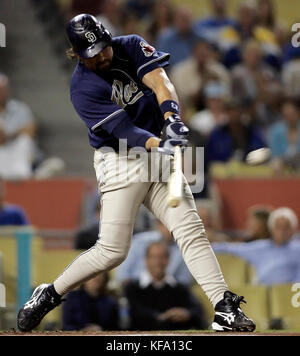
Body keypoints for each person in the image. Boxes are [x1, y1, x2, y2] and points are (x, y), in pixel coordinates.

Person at [17, 14, 255, 333]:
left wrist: (171, 117)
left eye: (102, 48)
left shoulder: (129, 45)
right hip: (120, 160)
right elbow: (124, 129)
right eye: (91, 54)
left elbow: (160, 82)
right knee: (112, 251)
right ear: (75, 53)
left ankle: (223, 307)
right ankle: (49, 293)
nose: (101, 56)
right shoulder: (82, 88)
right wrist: (161, 143)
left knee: (190, 229)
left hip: (158, 153)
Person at [125, 241, 207, 330]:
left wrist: (186, 313)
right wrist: (162, 317)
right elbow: (134, 313)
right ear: (146, 260)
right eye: (154, 257)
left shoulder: (180, 288)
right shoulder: (133, 288)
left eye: (162, 257)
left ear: (168, 260)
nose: (158, 262)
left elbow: (197, 310)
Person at [212, 207, 300, 285]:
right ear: (271, 228)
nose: (282, 231)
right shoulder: (260, 247)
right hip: (261, 293)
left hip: (287, 295)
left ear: (293, 229)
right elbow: (231, 248)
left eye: (286, 227)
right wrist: (204, 246)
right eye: (278, 227)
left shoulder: (297, 249)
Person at [115, 219, 192, 286]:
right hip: (137, 289)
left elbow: (184, 281)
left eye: (176, 225)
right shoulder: (140, 241)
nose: (172, 229)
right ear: (158, 225)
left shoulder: (184, 248)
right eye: (168, 225)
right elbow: (122, 275)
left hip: (170, 293)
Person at [169, 37, 231, 112]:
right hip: (188, 110)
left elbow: (227, 95)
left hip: (217, 110)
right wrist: (201, 88)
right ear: (193, 52)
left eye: (205, 52)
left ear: (209, 53)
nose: (202, 55)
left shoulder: (219, 70)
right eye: (199, 52)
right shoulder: (180, 71)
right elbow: (182, 97)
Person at [206, 99, 266, 165]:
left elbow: (263, 154)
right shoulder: (216, 135)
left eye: (237, 111)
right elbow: (210, 159)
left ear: (242, 112)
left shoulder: (254, 133)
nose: (234, 114)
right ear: (226, 113)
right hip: (223, 172)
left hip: (250, 171)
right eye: (231, 111)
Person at [0, 73, 37, 179]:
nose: (1, 93)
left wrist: (9, 135)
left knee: (24, 140)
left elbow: (30, 129)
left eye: (3, 90)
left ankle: (22, 173)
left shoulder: (20, 108)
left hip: (16, 150)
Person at [268, 99, 300, 173]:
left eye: (292, 114)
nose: (289, 117)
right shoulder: (275, 130)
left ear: (298, 113)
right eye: (286, 115)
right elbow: (275, 153)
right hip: (282, 161)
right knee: (276, 164)